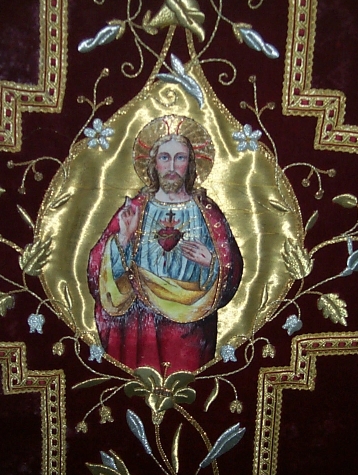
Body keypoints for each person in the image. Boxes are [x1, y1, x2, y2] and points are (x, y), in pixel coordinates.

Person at [87, 115, 242, 372]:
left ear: (190, 164)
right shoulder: (135, 208)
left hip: (190, 325)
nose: (172, 166)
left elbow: (233, 267)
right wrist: (123, 239)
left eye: (180, 158)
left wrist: (212, 263)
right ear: (154, 163)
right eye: (164, 157)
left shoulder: (207, 212)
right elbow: (97, 270)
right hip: (140, 324)